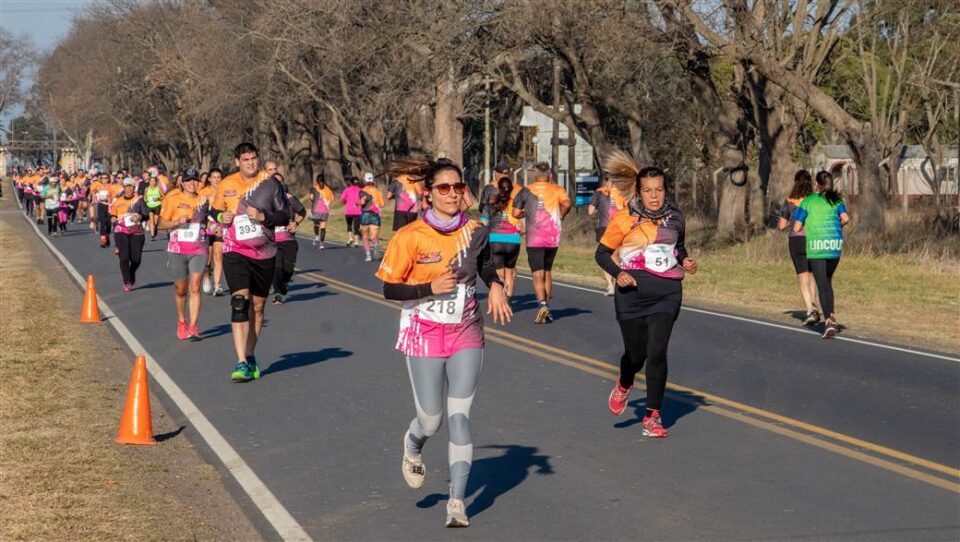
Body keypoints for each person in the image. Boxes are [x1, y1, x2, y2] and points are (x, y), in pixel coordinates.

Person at [377, 156, 512, 529]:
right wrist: (428, 288)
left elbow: (483, 263)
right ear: (428, 193)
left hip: (466, 331)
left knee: (459, 417)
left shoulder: (476, 230)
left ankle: (456, 502)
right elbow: (389, 287)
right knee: (432, 419)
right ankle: (413, 444)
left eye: (458, 187)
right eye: (444, 188)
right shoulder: (410, 237)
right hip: (422, 333)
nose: (453, 194)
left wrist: (496, 285)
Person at [596, 152, 698, 438]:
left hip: (668, 293)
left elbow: (678, 249)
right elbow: (601, 254)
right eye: (648, 190)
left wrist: (686, 261)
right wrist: (619, 274)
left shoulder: (676, 217)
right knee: (636, 353)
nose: (654, 196)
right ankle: (625, 382)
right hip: (631, 295)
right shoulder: (624, 219)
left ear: (666, 189)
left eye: (659, 189)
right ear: (639, 191)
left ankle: (653, 415)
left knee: (657, 351)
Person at [211, 143, 289, 382]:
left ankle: (250, 354)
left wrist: (264, 217)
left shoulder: (270, 183)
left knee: (257, 307)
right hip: (236, 250)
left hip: (265, 253)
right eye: (245, 159)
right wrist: (220, 217)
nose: (250, 163)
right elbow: (214, 212)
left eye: (254, 158)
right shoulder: (227, 184)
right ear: (237, 161)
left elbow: (285, 215)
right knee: (239, 302)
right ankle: (240, 361)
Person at [791, 170, 850, 339]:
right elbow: (845, 219)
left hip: (817, 247)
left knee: (822, 284)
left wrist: (808, 224)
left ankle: (829, 320)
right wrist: (835, 226)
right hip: (834, 247)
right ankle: (831, 316)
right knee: (828, 282)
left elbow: (796, 228)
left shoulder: (808, 201)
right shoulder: (837, 200)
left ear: (816, 184)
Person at [512, 162, 572, 323]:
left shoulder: (526, 190)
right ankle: (547, 308)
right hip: (552, 235)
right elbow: (567, 203)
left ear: (534, 175)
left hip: (534, 237)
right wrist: (561, 215)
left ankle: (542, 305)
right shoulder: (557, 189)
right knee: (547, 271)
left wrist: (528, 212)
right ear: (550, 176)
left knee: (537, 273)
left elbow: (515, 212)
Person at [158, 169, 209, 340]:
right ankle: (182, 321)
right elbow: (160, 224)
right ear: (182, 182)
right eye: (189, 181)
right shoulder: (173, 199)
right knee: (181, 289)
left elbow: (211, 220)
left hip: (199, 247)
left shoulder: (204, 200)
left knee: (195, 286)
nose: (192, 184)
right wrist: (176, 222)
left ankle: (193, 325)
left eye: (195, 180)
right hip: (177, 249)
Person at [778, 170, 819, 325]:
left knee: (802, 276)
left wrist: (791, 221)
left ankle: (809, 310)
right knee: (812, 274)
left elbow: (781, 226)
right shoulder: (815, 200)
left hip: (796, 241)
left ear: (795, 182)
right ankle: (814, 305)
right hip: (814, 239)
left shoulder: (790, 201)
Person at [480, 175, 522, 300]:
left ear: (498, 188)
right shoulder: (516, 205)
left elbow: (483, 223)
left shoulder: (490, 205)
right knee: (510, 272)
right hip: (514, 241)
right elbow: (522, 225)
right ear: (511, 189)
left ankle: (500, 296)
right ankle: (507, 300)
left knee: (498, 273)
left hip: (495, 240)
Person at [110, 178, 150, 292]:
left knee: (136, 259)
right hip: (121, 230)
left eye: (131, 186)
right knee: (124, 257)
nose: (129, 188)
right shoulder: (117, 201)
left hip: (136, 231)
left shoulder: (138, 201)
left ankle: (131, 273)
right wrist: (113, 219)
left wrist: (140, 216)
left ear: (134, 188)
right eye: (127, 186)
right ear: (124, 187)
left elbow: (146, 214)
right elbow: (112, 215)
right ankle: (127, 281)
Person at [588, 177, 627, 296]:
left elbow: (590, 211)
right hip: (620, 227)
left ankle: (610, 285)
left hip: (604, 227)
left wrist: (599, 210)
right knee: (616, 256)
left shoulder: (599, 192)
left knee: (604, 256)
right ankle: (617, 282)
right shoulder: (623, 192)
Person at [271, 176, 306, 304]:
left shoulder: (290, 200)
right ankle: (277, 293)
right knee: (277, 267)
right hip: (273, 241)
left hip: (289, 240)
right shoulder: (266, 201)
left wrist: (296, 223)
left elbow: (302, 212)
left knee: (288, 268)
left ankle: (285, 283)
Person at [204, 168, 226, 296]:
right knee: (207, 258)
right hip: (206, 228)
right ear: (209, 179)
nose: (216, 180)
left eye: (219, 177)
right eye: (214, 177)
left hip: (219, 228)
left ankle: (218, 286)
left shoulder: (224, 192)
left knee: (218, 256)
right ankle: (207, 276)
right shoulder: (203, 193)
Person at [359, 172, 385, 262]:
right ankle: (376, 244)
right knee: (374, 236)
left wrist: (358, 203)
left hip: (365, 214)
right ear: (373, 180)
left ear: (365, 180)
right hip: (375, 215)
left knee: (365, 236)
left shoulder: (363, 190)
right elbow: (382, 204)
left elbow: (362, 202)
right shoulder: (378, 191)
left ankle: (368, 256)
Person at [304, 172, 334, 249]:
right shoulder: (328, 189)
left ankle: (317, 236)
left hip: (316, 209)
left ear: (317, 181)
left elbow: (311, 198)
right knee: (323, 227)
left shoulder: (314, 188)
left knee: (316, 224)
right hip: (325, 211)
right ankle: (322, 244)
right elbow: (331, 199)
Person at [340, 176, 363, 247]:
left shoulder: (347, 189)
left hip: (349, 210)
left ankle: (350, 238)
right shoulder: (361, 190)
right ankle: (356, 242)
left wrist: (344, 203)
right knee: (356, 226)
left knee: (349, 224)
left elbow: (342, 198)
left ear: (351, 182)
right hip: (358, 211)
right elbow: (363, 200)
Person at [144, 176, 164, 240]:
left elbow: (163, 196)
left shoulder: (158, 188)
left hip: (157, 206)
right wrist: (146, 201)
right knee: (151, 221)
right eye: (151, 181)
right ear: (149, 182)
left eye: (154, 181)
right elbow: (145, 197)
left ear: (156, 182)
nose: (152, 182)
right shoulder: (147, 189)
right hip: (149, 206)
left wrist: (158, 198)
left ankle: (155, 230)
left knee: (155, 222)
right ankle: (152, 235)